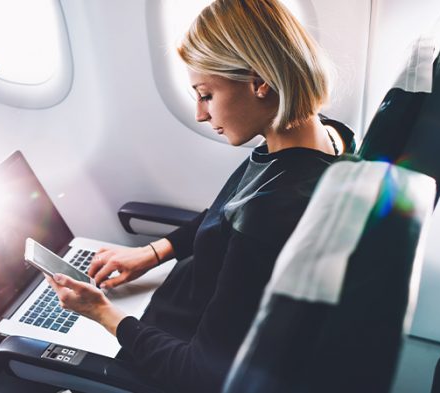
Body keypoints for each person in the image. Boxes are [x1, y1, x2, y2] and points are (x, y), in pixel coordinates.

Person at [45, 0, 355, 392]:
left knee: (15, 351)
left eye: (206, 94)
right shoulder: (323, 138)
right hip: (168, 308)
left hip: (166, 352)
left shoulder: (273, 212)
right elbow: (225, 213)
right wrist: (152, 253)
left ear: (260, 82)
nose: (200, 114)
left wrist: (103, 315)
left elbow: (200, 374)